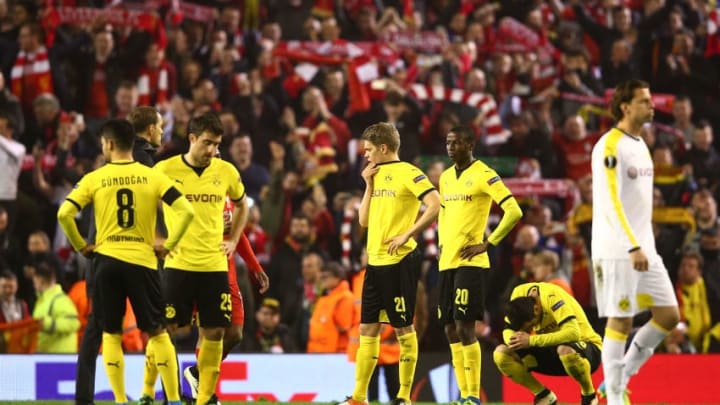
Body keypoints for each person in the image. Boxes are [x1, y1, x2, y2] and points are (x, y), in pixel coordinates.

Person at [57, 119, 194, 405]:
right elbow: (186, 212)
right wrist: (169, 245)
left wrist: (81, 246)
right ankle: (174, 399)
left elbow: (64, 215)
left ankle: (120, 400)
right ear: (132, 143)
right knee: (157, 332)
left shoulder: (95, 178)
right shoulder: (152, 176)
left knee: (111, 333)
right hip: (142, 261)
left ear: (107, 144)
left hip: (106, 262)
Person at [590, 79, 680, 405]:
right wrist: (632, 245)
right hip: (617, 249)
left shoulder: (640, 144)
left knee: (669, 315)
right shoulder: (609, 146)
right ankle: (615, 397)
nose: (652, 105)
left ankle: (621, 376)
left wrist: (643, 244)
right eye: (644, 101)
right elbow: (610, 203)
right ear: (625, 106)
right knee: (621, 318)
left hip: (644, 248)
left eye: (650, 100)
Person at [341, 122, 441, 405]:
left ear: (384, 148)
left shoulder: (409, 172)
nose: (366, 155)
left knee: (403, 328)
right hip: (375, 262)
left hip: (400, 261)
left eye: (370, 150)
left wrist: (408, 233)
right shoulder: (374, 174)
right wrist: (368, 184)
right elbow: (363, 220)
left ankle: (403, 397)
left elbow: (435, 203)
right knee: (367, 329)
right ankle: (358, 397)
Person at [153, 112, 248, 405]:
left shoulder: (226, 171)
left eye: (217, 144)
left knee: (216, 331)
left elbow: (242, 204)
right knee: (165, 330)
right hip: (178, 264)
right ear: (192, 139)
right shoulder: (165, 170)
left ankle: (205, 397)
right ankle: (165, 394)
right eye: (207, 143)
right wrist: (156, 237)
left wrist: (233, 240)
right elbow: (146, 204)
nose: (212, 151)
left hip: (214, 265)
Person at [438, 125, 523, 405]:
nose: (451, 148)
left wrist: (489, 242)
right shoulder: (446, 177)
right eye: (448, 143)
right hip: (447, 261)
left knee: (465, 326)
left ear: (470, 144)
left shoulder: (484, 174)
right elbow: (444, 213)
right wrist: (441, 244)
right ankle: (462, 396)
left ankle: (472, 395)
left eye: (457, 143)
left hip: (471, 262)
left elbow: (514, 210)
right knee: (450, 328)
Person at [183, 194, 270, 402]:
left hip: (228, 274)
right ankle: (206, 393)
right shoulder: (194, 193)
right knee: (209, 332)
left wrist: (255, 267)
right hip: (204, 271)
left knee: (235, 334)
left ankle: (197, 372)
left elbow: (237, 235)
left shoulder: (229, 196)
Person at [494, 282, 602, 405]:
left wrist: (531, 340)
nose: (532, 329)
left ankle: (589, 395)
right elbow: (508, 329)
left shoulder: (552, 297)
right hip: (551, 352)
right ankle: (544, 396)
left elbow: (573, 333)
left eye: (531, 326)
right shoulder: (518, 295)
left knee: (564, 350)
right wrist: (513, 340)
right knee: (500, 353)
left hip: (586, 350)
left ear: (536, 309)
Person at [30, 258, 80, 353]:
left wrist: (46, 323)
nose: (34, 285)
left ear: (41, 281)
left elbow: (73, 323)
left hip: (60, 359)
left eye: (34, 281)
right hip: (46, 356)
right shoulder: (42, 301)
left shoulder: (60, 300)